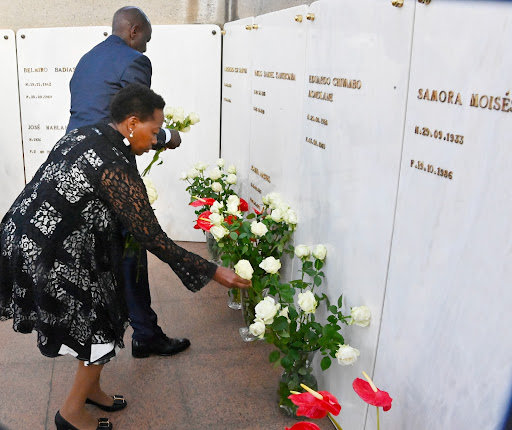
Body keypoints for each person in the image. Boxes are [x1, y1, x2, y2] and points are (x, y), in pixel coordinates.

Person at [0, 84, 250, 430]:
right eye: (154, 129)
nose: (156, 137)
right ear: (132, 123)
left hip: (25, 234)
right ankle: (71, 414)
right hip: (52, 253)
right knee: (99, 327)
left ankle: (93, 390)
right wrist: (211, 271)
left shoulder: (88, 134)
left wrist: (165, 139)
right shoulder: (115, 166)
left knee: (104, 311)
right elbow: (152, 236)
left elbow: (136, 142)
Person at [66, 6, 189, 359]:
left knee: (97, 254)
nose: (146, 48)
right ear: (134, 30)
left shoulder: (89, 57)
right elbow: (135, 121)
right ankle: (144, 334)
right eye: (145, 40)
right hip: (109, 167)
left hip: (76, 162)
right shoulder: (134, 61)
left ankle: (97, 340)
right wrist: (166, 136)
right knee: (131, 247)